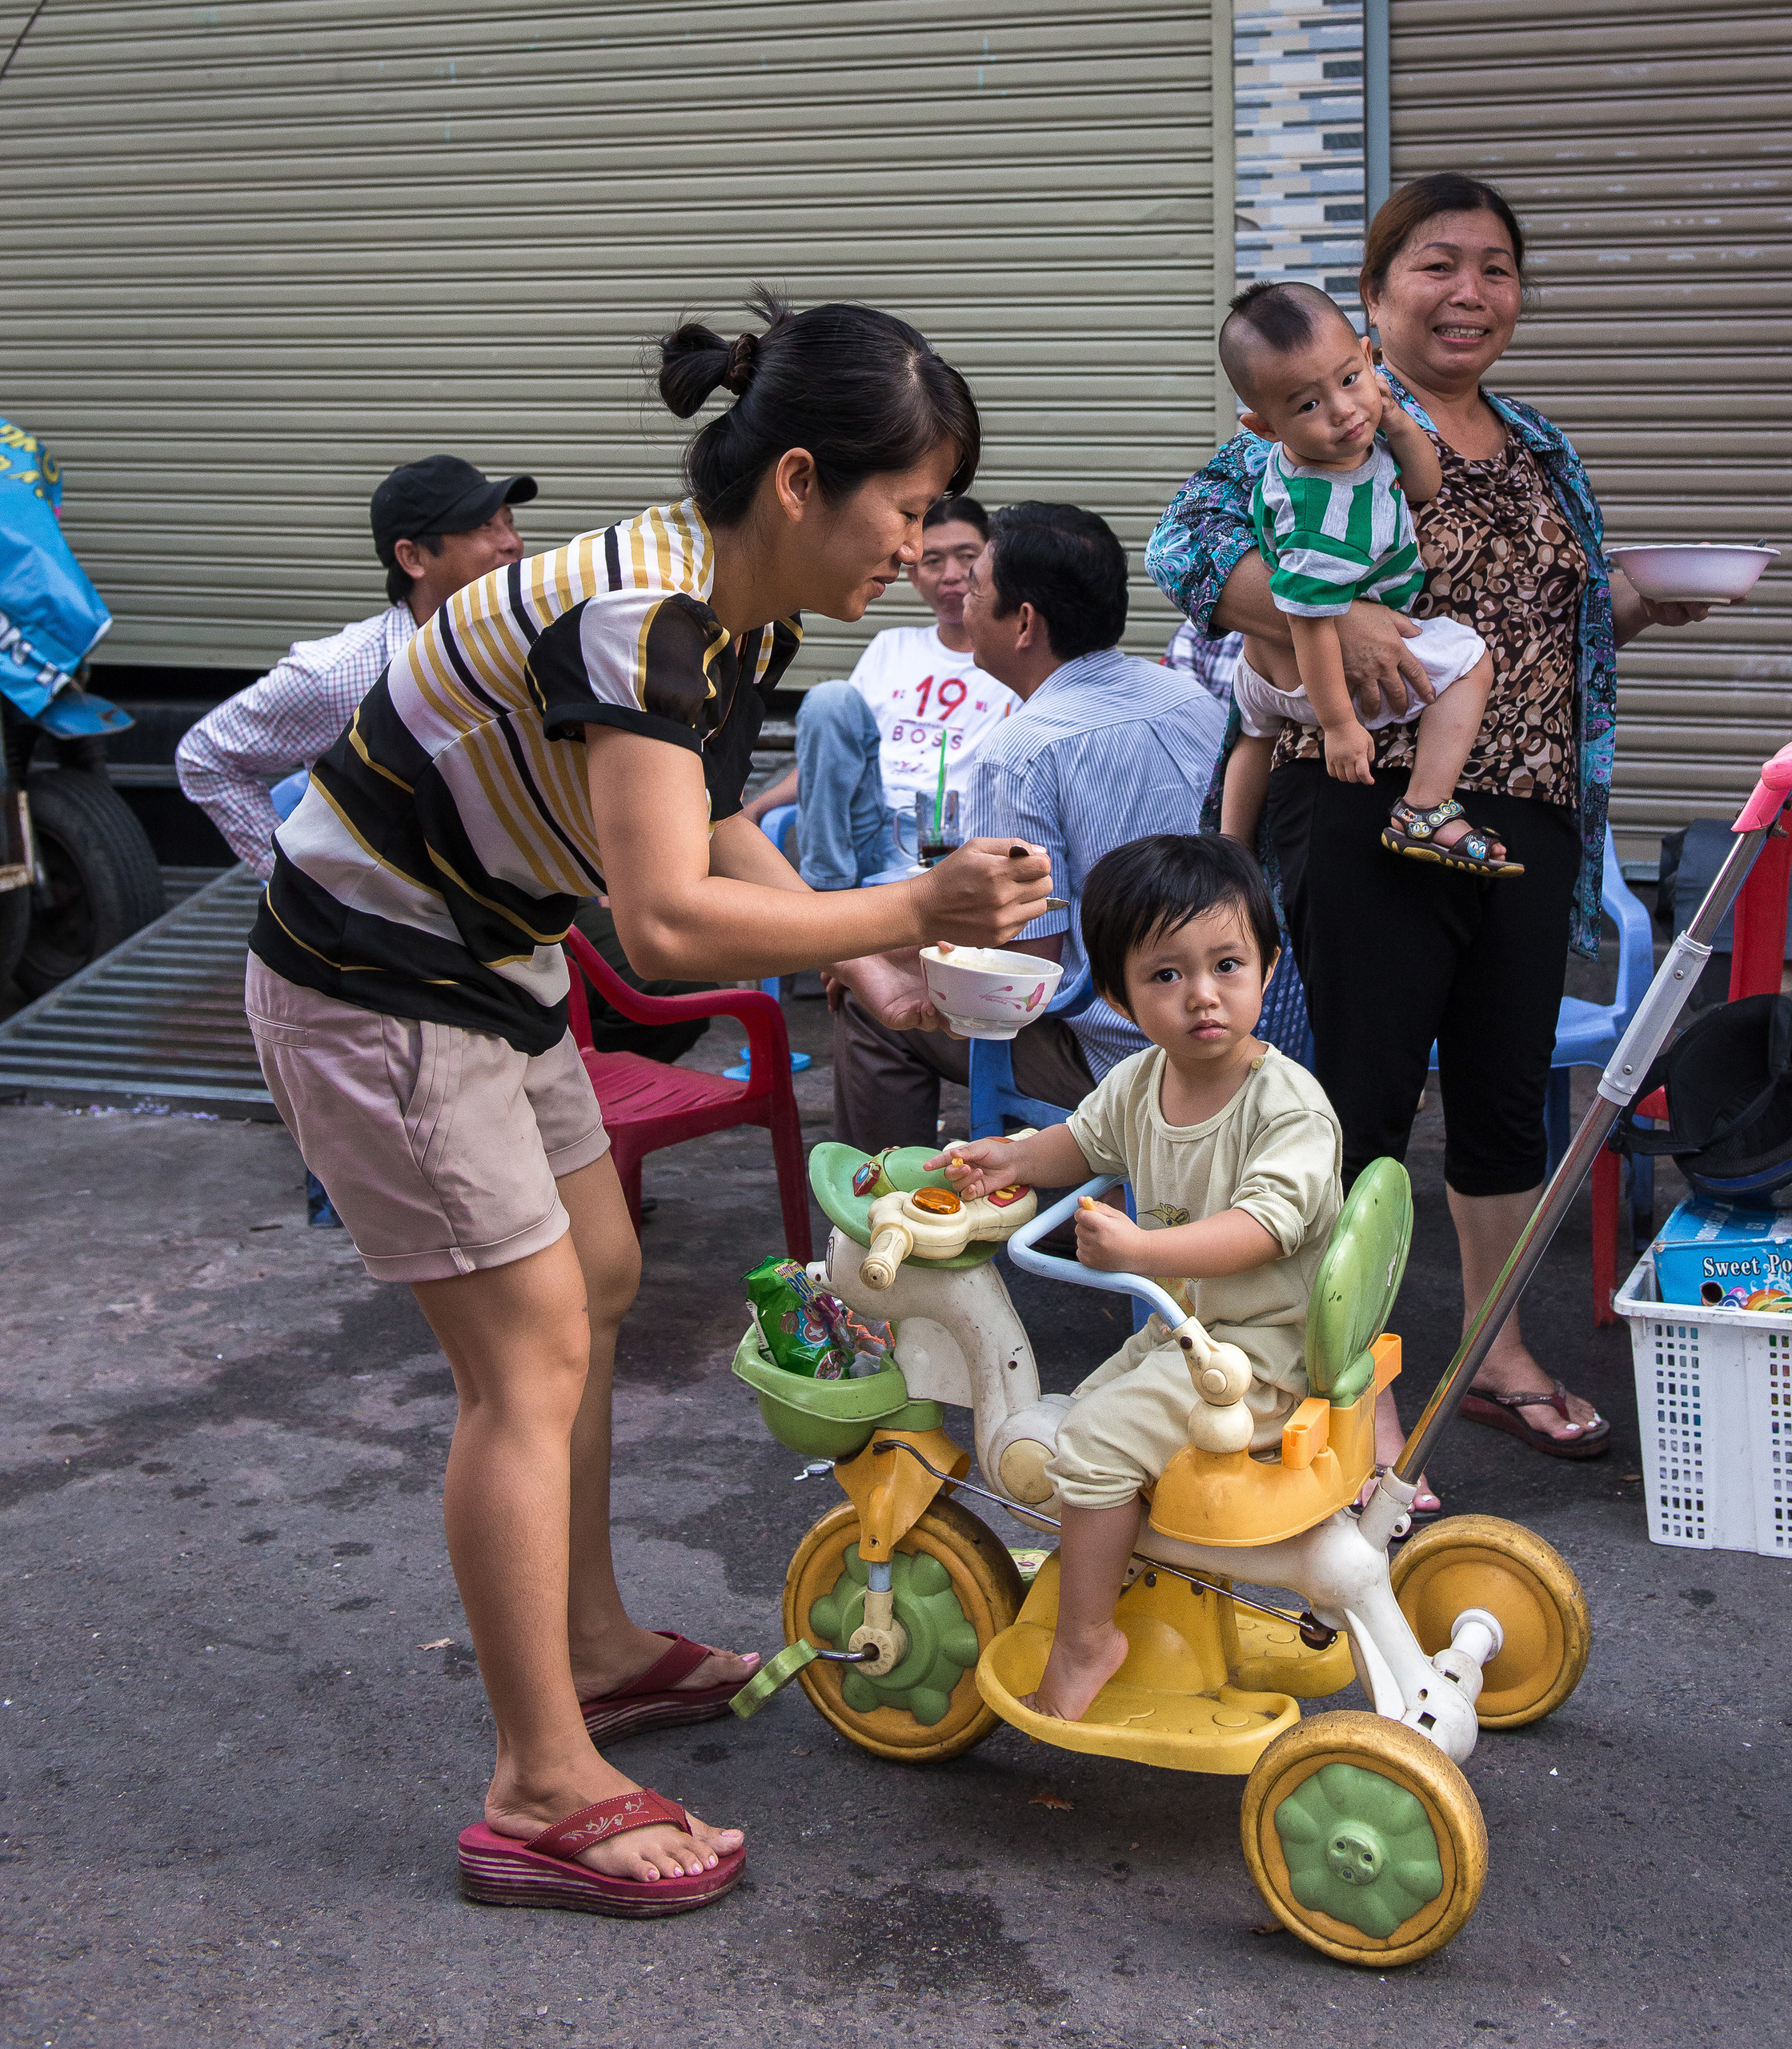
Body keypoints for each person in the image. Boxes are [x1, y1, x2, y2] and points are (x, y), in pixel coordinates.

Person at [243, 292, 1051, 1916]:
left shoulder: (734, 613)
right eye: (905, 510)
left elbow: (708, 829)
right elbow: (667, 924)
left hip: (491, 958)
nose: (917, 548)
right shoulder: (644, 615)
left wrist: (879, 963)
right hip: (375, 978)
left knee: (598, 1278)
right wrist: (914, 904)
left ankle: (595, 1645)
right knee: (527, 1354)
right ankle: (538, 1785)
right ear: (804, 481)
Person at [1150, 174, 1725, 1463]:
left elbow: (1549, 626)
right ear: (1375, 294)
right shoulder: (1327, 420)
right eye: (1438, 265)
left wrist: (1638, 605)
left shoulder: (1539, 447)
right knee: (1356, 1102)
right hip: (1367, 802)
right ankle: (1343, 1380)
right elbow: (1183, 552)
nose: (1471, 292)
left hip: (1530, 814)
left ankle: (1496, 1352)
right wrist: (1337, 616)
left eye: (1496, 268)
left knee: (1505, 1097)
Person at [932, 834, 1341, 1721]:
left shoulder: (1289, 1108)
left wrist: (1142, 1254)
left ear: (1267, 968)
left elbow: (1263, 1227)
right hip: (1185, 1337)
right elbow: (1081, 1143)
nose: (1202, 994)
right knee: (1073, 1425)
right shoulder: (1140, 1080)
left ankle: (1088, 1640)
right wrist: (1014, 1157)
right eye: (1165, 975)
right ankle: (1142, 1579)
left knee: (1091, 1447)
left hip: (1261, 1358)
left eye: (1227, 964)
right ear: (1118, 996)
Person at [828, 501, 1229, 1152]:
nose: (962, 607)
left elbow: (1020, 972)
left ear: (1023, 623)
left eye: (974, 590)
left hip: (1132, 1065)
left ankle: (895, 1206)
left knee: (871, 1009)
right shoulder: (1191, 700)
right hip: (1241, 1026)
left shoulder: (1019, 753)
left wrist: (879, 958)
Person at [1215, 283, 1506, 877]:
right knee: (1472, 662)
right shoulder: (1324, 511)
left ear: (1370, 360)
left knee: (1253, 736)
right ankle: (1424, 808)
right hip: (1318, 677)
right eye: (1307, 406)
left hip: (1258, 671)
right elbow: (1311, 620)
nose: (1343, 410)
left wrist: (1395, 421)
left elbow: (1423, 485)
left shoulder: (1335, 451)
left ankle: (1229, 850)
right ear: (1263, 426)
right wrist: (1339, 726)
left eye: (1349, 380)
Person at [176, 455, 535, 876]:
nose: (512, 543)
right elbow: (204, 757)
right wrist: (297, 883)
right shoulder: (339, 673)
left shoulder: (534, 643)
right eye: (484, 527)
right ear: (413, 558)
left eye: (509, 523)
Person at [742, 495, 1015, 889]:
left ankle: (840, 907)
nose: (951, 575)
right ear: (914, 575)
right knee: (830, 699)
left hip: (943, 837)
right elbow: (830, 757)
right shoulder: (892, 646)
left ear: (990, 567)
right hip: (863, 820)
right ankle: (827, 888)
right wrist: (756, 808)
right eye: (933, 561)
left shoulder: (1009, 661)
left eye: (967, 557)